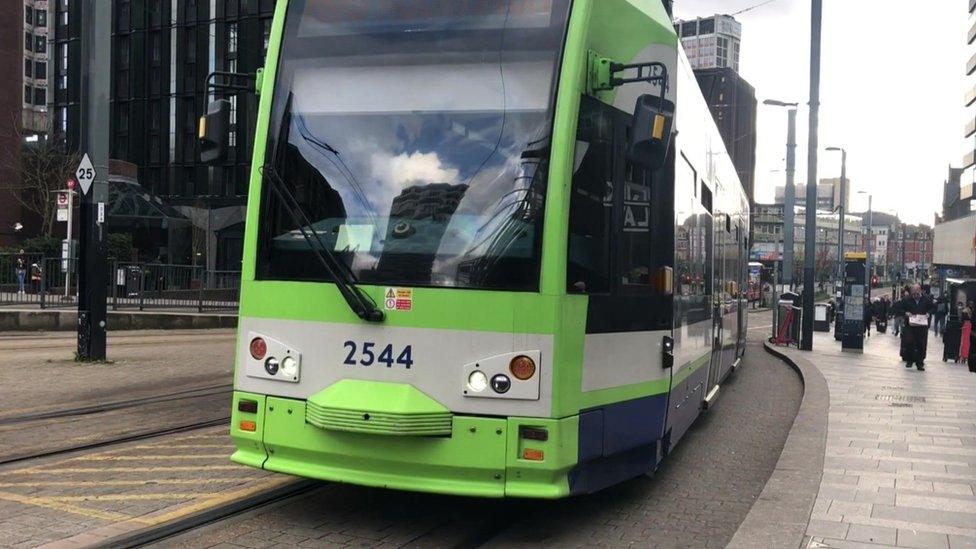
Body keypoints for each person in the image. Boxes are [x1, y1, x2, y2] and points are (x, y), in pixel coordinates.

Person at [897, 283, 935, 371]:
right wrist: (906, 313)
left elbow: (933, 307)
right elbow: (900, 309)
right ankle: (909, 360)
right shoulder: (907, 299)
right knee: (909, 342)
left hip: (922, 325)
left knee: (921, 344)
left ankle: (920, 363)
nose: (915, 296)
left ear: (920, 291)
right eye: (913, 294)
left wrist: (928, 313)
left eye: (917, 294)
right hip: (910, 325)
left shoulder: (926, 299)